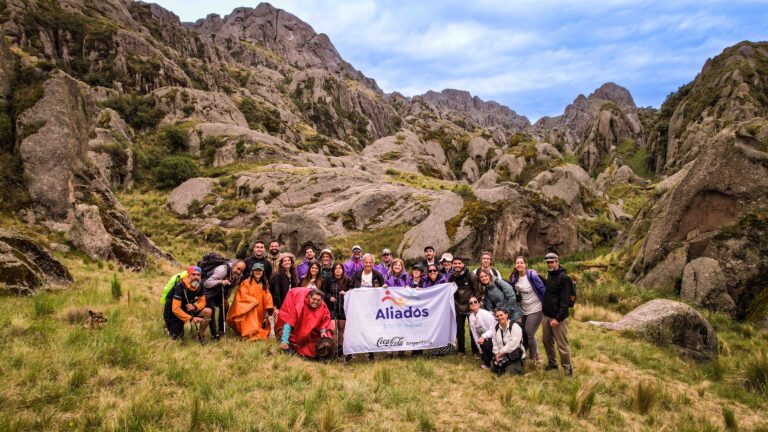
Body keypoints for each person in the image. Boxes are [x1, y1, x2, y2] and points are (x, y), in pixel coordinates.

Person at [276, 288, 335, 359]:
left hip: (310, 333)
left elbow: (325, 320)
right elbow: (289, 323)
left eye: (318, 300)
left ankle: (320, 355)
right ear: (309, 297)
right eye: (313, 299)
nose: (315, 302)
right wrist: (284, 341)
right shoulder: (300, 306)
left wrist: (323, 331)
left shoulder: (322, 307)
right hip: (298, 332)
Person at [509, 256, 546, 364]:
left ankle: (535, 358)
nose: (519, 264)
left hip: (536, 308)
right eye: (517, 263)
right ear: (515, 265)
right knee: (524, 333)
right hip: (523, 309)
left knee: (529, 332)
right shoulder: (513, 277)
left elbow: (543, 290)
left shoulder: (532, 275)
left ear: (525, 264)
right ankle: (534, 355)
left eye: (521, 262)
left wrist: (546, 305)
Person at [542, 252, 573, 376]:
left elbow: (565, 302)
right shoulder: (550, 274)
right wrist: (538, 277)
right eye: (548, 262)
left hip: (557, 318)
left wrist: (558, 318)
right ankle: (552, 364)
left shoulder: (565, 278)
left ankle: (568, 370)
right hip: (546, 315)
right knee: (546, 341)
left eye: (552, 262)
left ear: (557, 262)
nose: (550, 264)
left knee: (562, 345)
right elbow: (551, 290)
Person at [226, 263, 274, 341]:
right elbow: (241, 296)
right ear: (252, 272)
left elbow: (268, 298)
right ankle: (250, 332)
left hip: (260, 313)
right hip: (248, 312)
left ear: (263, 272)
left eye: (260, 271)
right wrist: (253, 302)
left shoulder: (264, 284)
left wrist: (267, 311)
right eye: (256, 270)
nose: (258, 272)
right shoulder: (245, 283)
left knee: (262, 329)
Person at [164, 266, 212, 342]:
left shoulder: (200, 285)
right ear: (188, 275)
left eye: (198, 275)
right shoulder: (180, 286)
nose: (196, 277)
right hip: (173, 313)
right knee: (177, 338)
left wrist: (195, 306)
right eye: (193, 274)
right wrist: (191, 318)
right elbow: (175, 309)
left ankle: (200, 336)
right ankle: (168, 327)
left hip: (187, 308)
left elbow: (203, 301)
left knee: (208, 311)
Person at [204, 259, 246, 340]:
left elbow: (230, 288)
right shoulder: (222, 270)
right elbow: (207, 283)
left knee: (225, 306)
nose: (239, 272)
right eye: (238, 268)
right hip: (208, 291)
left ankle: (221, 331)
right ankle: (214, 334)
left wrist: (225, 299)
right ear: (233, 266)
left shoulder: (238, 276)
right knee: (211, 309)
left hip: (220, 292)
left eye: (242, 270)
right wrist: (220, 281)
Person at [449, 256, 482, 357]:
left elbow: (478, 292)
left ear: (463, 265)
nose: (457, 265)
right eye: (455, 263)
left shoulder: (471, 275)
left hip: (470, 308)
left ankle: (475, 351)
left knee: (473, 330)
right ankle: (461, 350)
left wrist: (474, 305)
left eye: (459, 263)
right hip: (458, 307)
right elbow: (450, 292)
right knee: (459, 330)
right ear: (452, 265)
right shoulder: (451, 277)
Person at [321, 263, 350, 358]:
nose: (338, 270)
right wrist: (329, 297)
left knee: (342, 329)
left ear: (342, 270)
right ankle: (333, 349)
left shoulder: (347, 280)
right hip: (331, 307)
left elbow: (352, 291)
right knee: (333, 329)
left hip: (343, 307)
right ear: (333, 270)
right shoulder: (328, 280)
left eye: (340, 268)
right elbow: (323, 292)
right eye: (336, 268)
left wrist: (346, 293)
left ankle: (340, 348)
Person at [490, 308, 525, 375]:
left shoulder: (515, 326)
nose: (499, 317)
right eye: (497, 316)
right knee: (492, 367)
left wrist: (500, 352)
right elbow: (494, 343)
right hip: (502, 355)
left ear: (506, 315)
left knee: (509, 371)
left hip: (514, 355)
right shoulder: (496, 328)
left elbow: (513, 345)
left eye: (501, 315)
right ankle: (503, 365)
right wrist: (496, 354)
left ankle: (518, 364)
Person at [468, 295, 496, 369]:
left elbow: (493, 329)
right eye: (471, 303)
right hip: (482, 340)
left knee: (486, 343)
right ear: (469, 306)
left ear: (478, 304)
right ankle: (488, 362)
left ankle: (490, 363)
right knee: (482, 346)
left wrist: (484, 336)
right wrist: (479, 348)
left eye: (475, 302)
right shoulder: (471, 317)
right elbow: (474, 334)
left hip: (493, 338)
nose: (473, 303)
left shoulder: (486, 314)